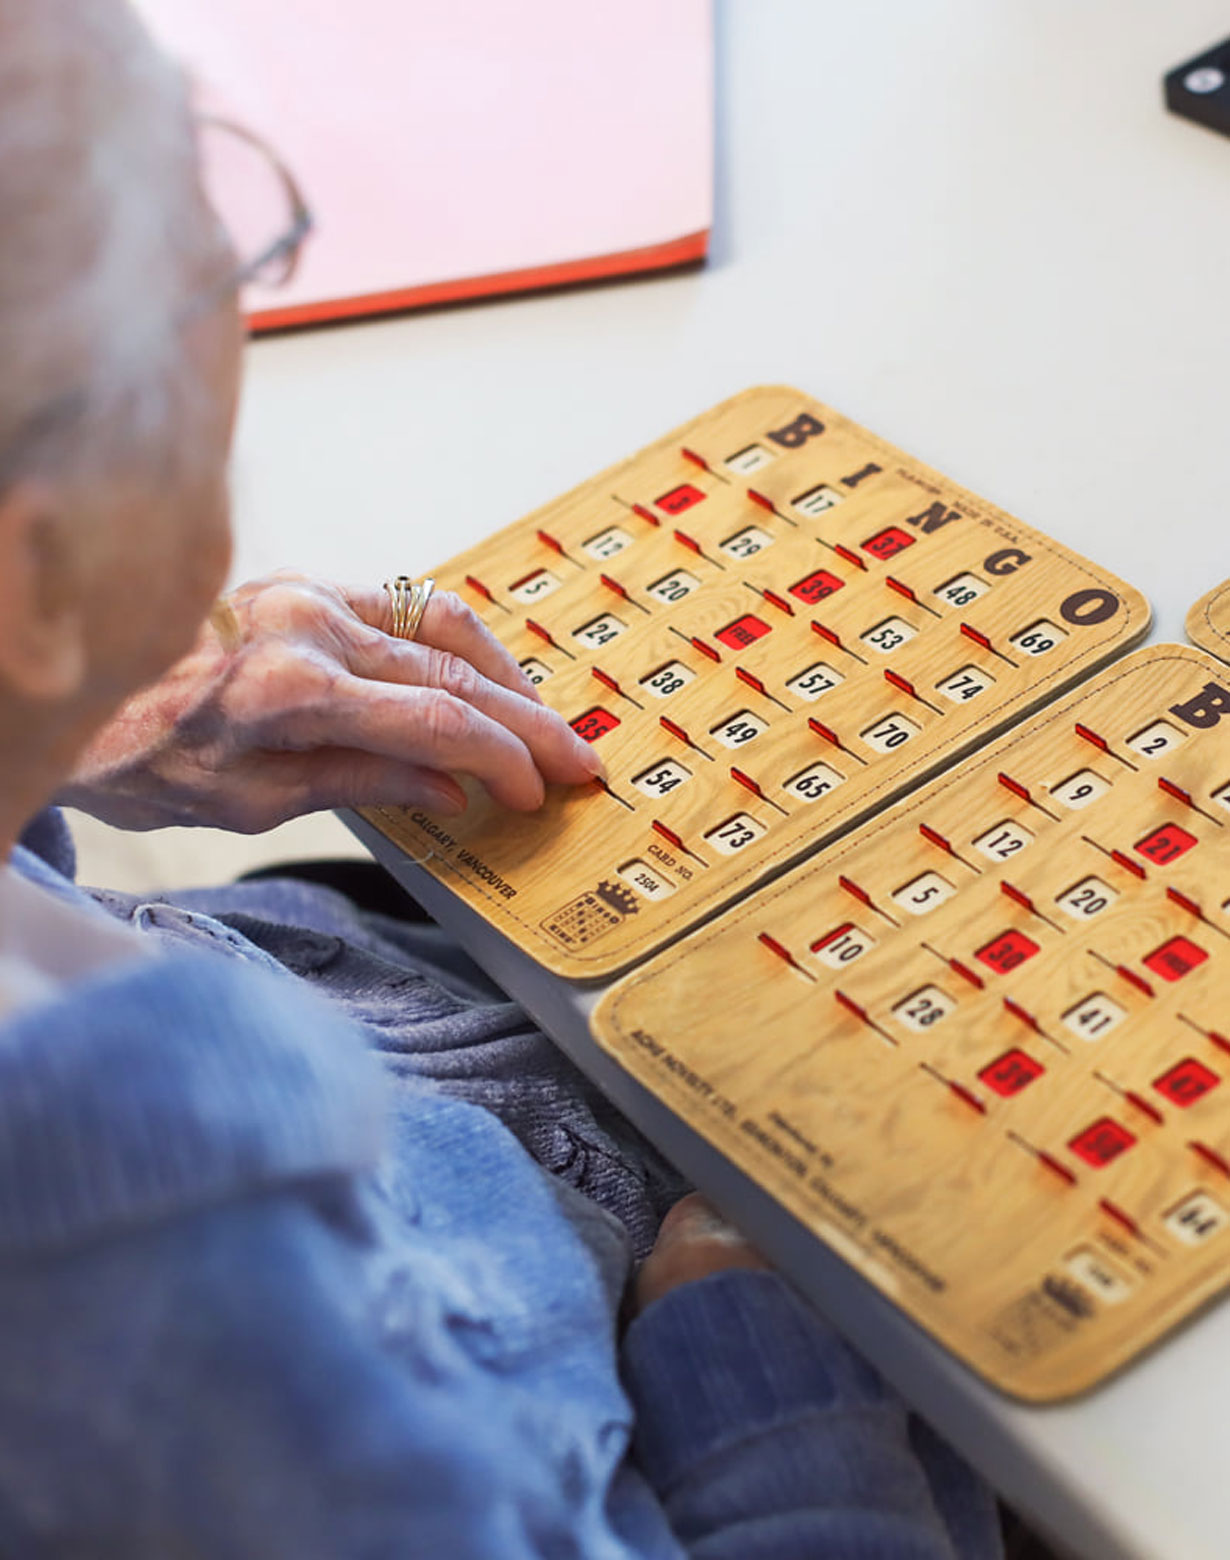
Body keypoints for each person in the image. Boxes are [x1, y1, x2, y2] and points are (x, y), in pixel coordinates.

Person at [0, 1, 1006, 1554]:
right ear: (36, 564)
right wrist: (755, 1355)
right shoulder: (144, 1233)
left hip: (408, 1035)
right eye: (212, 268)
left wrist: (65, 715)